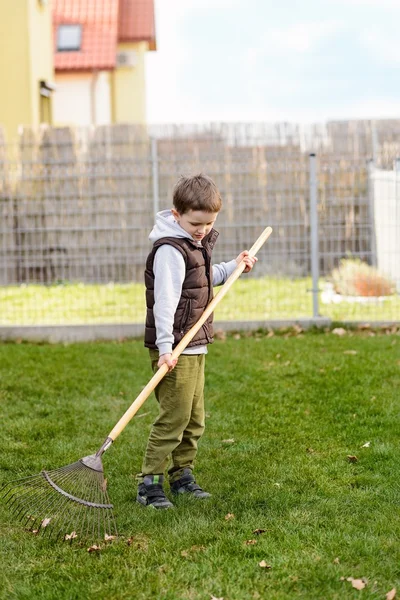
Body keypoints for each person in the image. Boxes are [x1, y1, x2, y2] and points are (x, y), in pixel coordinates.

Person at [137, 173, 257, 509]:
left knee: (194, 417)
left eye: (209, 222)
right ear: (176, 215)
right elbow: (165, 302)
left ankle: (182, 476)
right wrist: (164, 348)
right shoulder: (170, 251)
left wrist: (234, 266)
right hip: (175, 348)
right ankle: (150, 483)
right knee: (174, 417)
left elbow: (205, 277)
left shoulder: (194, 243)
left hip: (196, 344)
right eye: (196, 223)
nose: (202, 229)